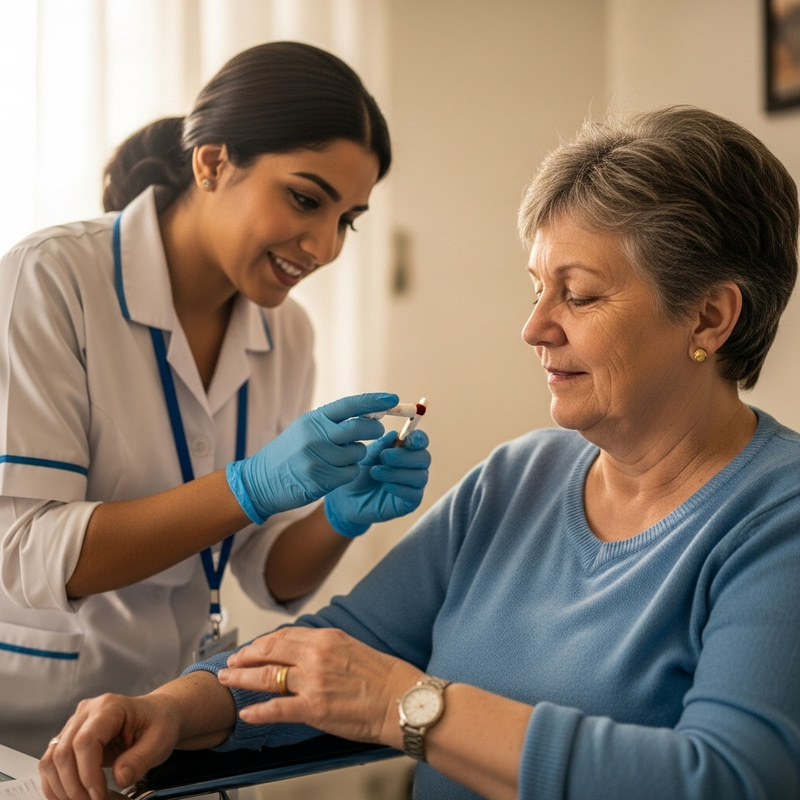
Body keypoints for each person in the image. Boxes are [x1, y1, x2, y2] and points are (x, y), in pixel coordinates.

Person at [39, 104, 800, 800]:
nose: (534, 329)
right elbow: (343, 645)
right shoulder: (517, 479)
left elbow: (726, 779)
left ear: (709, 318)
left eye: (579, 295)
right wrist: (171, 707)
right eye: (536, 288)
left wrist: (406, 707)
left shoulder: (777, 520)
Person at [0, 41, 431, 759]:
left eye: (347, 219)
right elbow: (26, 552)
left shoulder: (286, 333)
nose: (325, 246)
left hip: (179, 728)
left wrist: (340, 515)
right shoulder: (49, 281)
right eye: (305, 199)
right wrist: (248, 486)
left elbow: (269, 572)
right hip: (31, 734)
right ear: (211, 163)